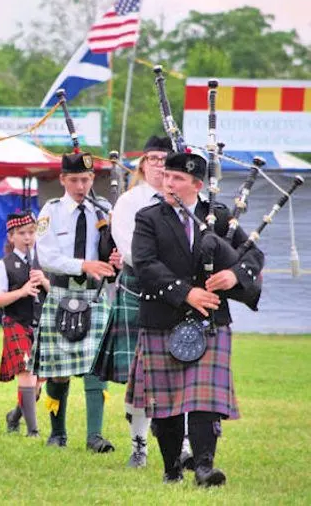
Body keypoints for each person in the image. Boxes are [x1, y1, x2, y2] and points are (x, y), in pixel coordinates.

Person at [128, 149, 263, 486]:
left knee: (204, 398)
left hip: (211, 321)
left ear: (196, 184)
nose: (168, 182)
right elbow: (145, 265)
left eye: (177, 178)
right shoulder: (148, 217)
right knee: (167, 402)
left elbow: (253, 256)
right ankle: (171, 468)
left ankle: (204, 466)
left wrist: (234, 276)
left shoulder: (218, 216)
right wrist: (185, 292)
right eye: (166, 176)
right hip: (163, 317)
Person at [92, 135, 172, 468]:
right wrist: (167, 274)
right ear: (142, 164)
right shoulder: (128, 202)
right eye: (152, 158)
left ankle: (178, 446)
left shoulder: (182, 200)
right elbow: (129, 250)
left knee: (174, 375)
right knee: (139, 379)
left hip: (177, 295)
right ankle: (139, 446)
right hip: (140, 288)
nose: (158, 164)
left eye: (165, 159)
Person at [33, 150, 120, 452]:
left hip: (94, 295)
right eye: (74, 180)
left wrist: (116, 259)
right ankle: (58, 433)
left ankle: (94, 435)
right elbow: (47, 257)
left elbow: (113, 251)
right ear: (62, 179)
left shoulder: (104, 210)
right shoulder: (51, 211)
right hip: (61, 293)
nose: (80, 186)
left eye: (85, 179)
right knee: (58, 368)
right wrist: (84, 265)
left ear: (93, 178)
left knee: (96, 366)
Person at [0, 212, 49, 437]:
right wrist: (22, 291)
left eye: (31, 232)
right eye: (22, 233)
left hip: (41, 324)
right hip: (16, 323)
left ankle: (14, 416)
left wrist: (44, 281)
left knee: (38, 383)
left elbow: (56, 295)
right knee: (27, 373)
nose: (27, 237)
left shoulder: (43, 261)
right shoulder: (3, 266)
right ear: (11, 237)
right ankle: (33, 431)